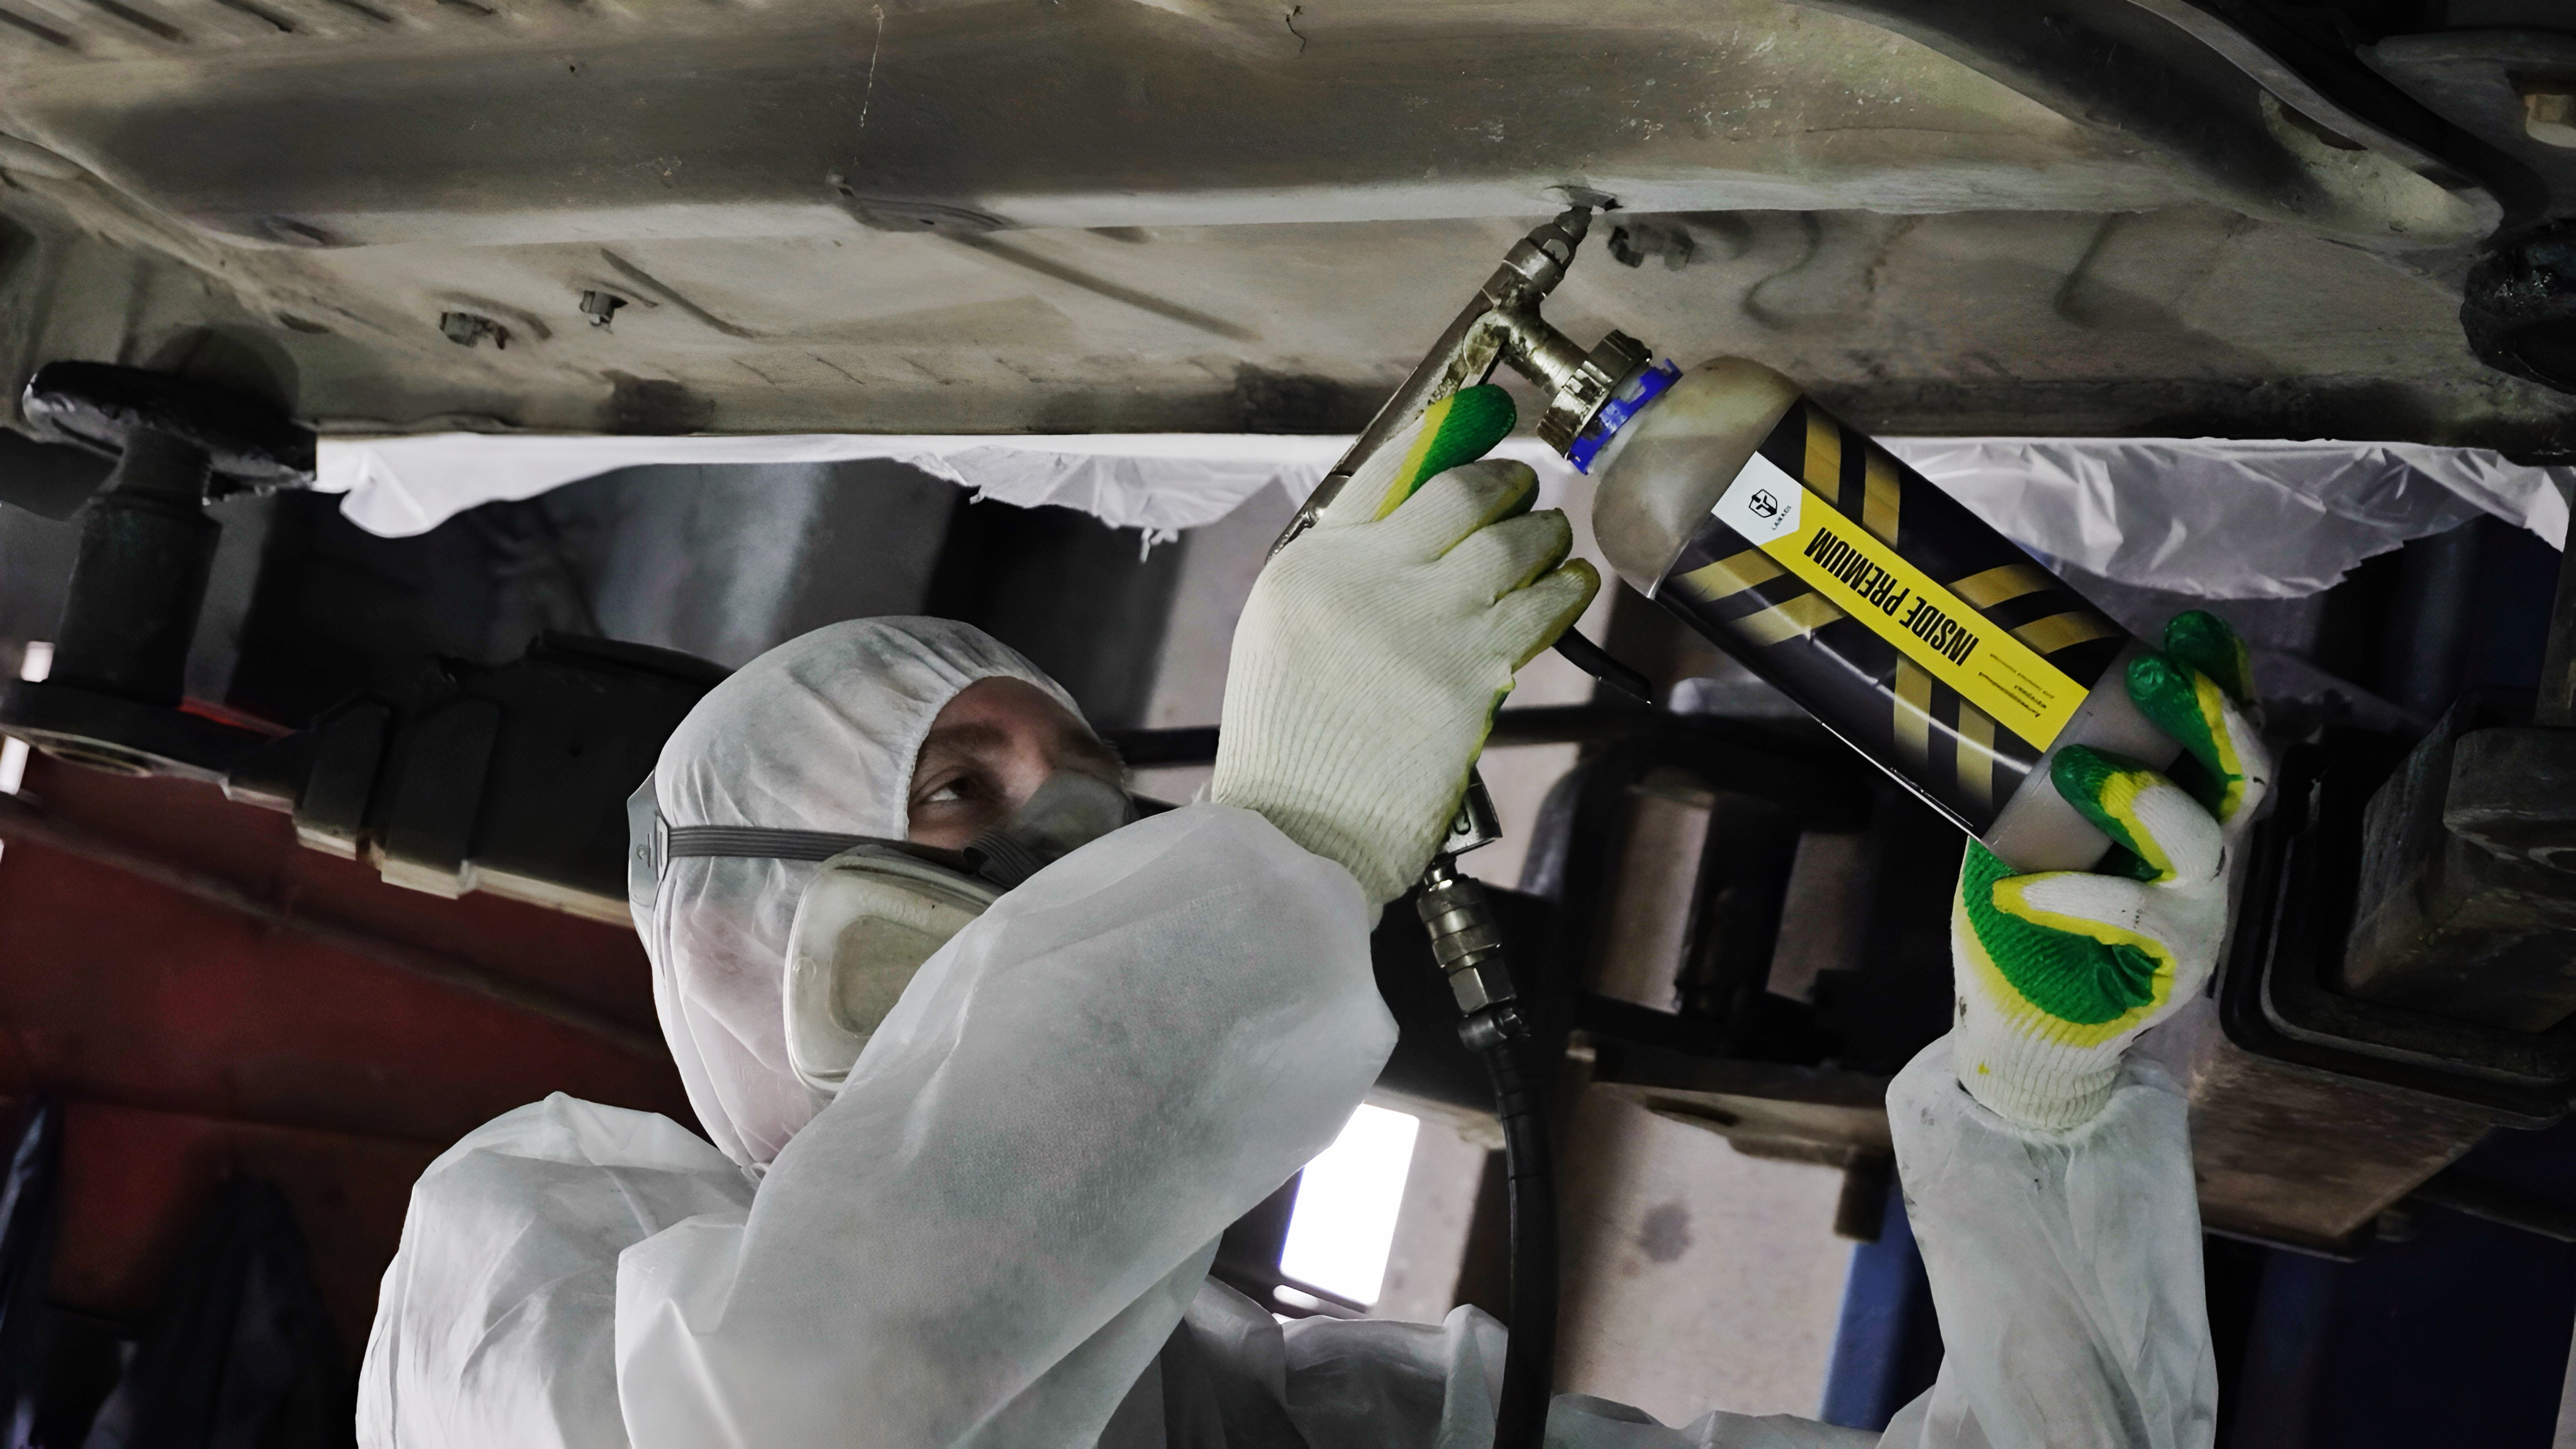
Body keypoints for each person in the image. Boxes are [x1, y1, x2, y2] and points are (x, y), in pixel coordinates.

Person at [358, 451, 2265, 1448]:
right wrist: (1288, 853)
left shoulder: (1260, 1416)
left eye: (1099, 794)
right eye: (958, 790)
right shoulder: (525, 1269)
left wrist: (2036, 1103)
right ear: (741, 933)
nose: (1078, 850)